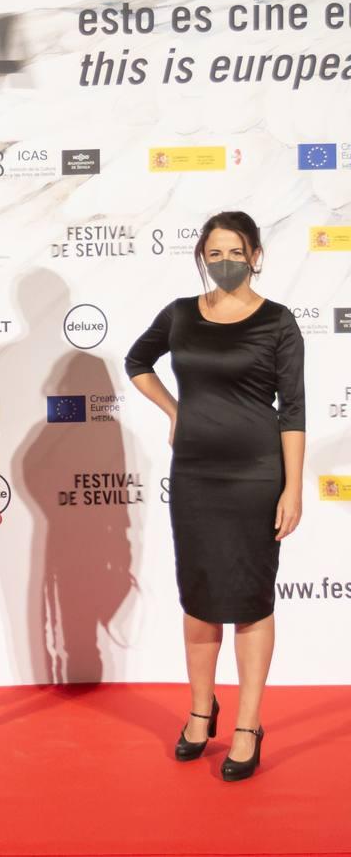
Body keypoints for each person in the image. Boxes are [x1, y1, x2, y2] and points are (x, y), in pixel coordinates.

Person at [126, 211, 304, 782]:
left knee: (251, 598)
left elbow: (294, 411)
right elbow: (136, 361)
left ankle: (248, 724)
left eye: (235, 251)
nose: (223, 261)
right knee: (200, 597)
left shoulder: (278, 323)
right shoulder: (180, 315)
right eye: (213, 252)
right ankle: (202, 711)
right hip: (196, 476)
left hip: (256, 476)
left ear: (255, 256)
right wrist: (175, 411)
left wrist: (294, 487)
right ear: (202, 257)